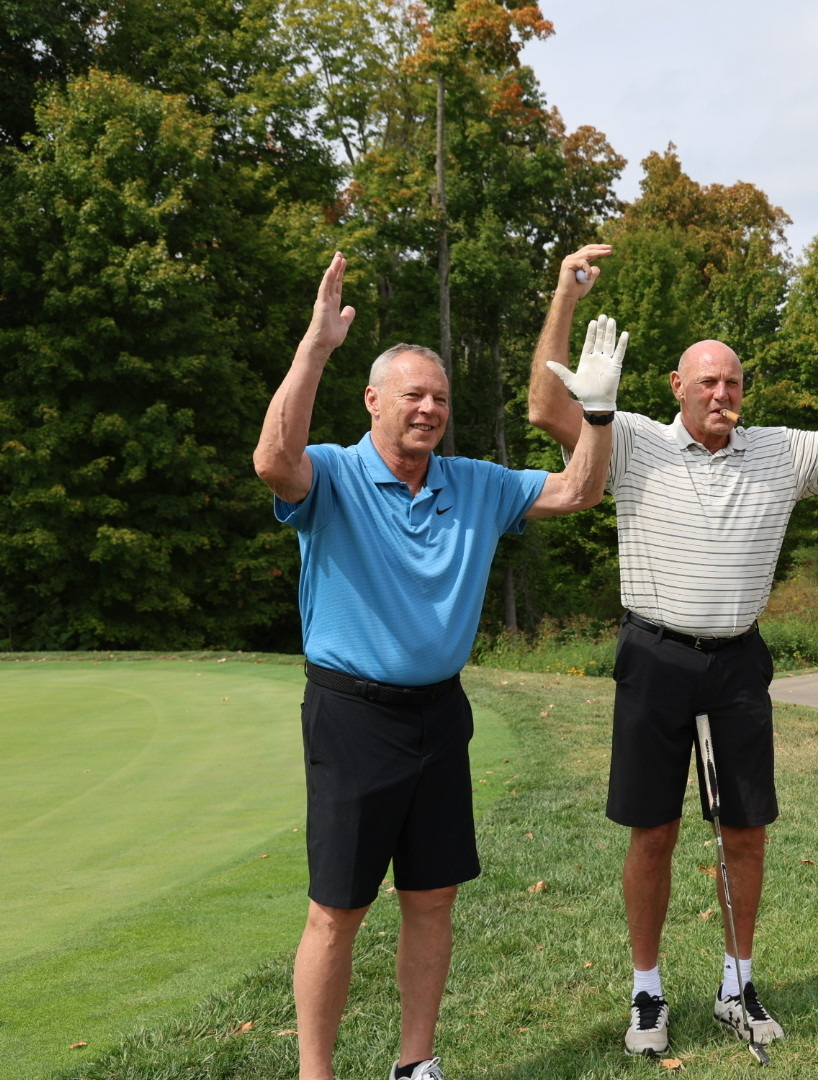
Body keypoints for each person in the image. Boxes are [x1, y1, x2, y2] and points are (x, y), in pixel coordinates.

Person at [253, 252, 627, 1080]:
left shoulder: (475, 483)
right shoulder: (335, 473)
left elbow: (578, 492)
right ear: (373, 400)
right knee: (337, 909)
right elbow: (274, 463)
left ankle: (415, 1064)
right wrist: (315, 347)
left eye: (441, 399)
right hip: (352, 717)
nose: (429, 409)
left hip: (438, 716)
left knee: (431, 899)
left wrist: (597, 415)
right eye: (413, 396)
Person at [526, 243, 818, 1057]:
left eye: (732, 382)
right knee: (652, 831)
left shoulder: (778, 451)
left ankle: (737, 985)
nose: (722, 394)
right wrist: (564, 297)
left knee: (745, 830)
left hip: (737, 662)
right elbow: (548, 407)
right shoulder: (629, 439)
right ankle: (647, 992)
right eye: (708, 383)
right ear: (677, 388)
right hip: (654, 654)